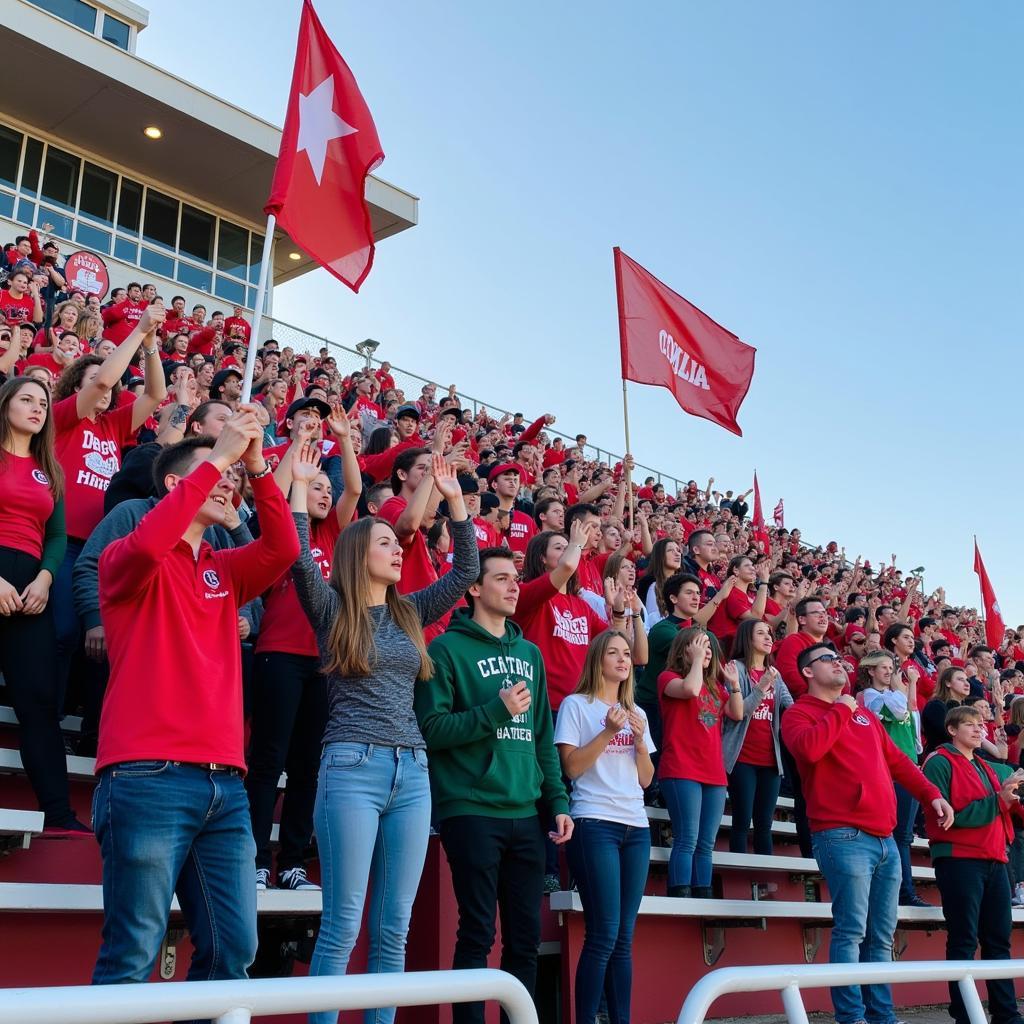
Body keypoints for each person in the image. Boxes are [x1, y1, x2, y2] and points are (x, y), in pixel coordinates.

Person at [91, 408, 299, 1002]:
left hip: (224, 786)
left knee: (234, 953)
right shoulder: (127, 557)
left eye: (231, 476)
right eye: (216, 475)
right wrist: (219, 457)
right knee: (133, 951)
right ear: (177, 487)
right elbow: (154, 539)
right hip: (145, 775)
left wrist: (257, 465)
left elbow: (283, 548)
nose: (227, 483)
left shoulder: (224, 570)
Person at [291, 454, 478, 1024]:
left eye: (397, 546)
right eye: (384, 544)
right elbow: (300, 561)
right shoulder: (331, 608)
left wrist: (455, 502)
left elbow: (466, 571)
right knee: (343, 925)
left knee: (393, 929)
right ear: (356, 554)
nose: (398, 550)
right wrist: (299, 491)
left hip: (413, 774)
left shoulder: (411, 611)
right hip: (352, 768)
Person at [414, 547, 570, 1024]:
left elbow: (542, 736)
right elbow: (432, 729)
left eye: (515, 577)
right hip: (471, 809)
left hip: (526, 812)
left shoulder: (531, 654)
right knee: (477, 932)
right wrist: (495, 712)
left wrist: (557, 802)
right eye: (501, 578)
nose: (513, 585)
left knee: (525, 939)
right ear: (475, 589)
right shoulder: (445, 649)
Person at [782, 643, 953, 1024]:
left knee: (881, 935)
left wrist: (932, 794)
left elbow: (898, 761)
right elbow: (809, 751)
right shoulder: (798, 713)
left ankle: (882, 1016)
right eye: (827, 659)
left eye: (839, 658)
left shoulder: (865, 717)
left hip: (885, 839)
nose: (839, 663)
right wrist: (841, 708)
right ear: (808, 672)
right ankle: (852, 1017)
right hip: (842, 834)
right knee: (851, 931)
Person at [245, 409, 362, 891]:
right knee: (268, 760)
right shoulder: (283, 531)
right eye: (316, 488)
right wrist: (298, 450)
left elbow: (353, 489)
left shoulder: (335, 535)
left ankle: (292, 861)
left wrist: (343, 442)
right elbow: (269, 494)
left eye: (326, 491)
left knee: (308, 766)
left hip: (325, 661)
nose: (326, 494)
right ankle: (251, 858)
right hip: (278, 651)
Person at [51, 304, 167, 696]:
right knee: (65, 631)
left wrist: (151, 345)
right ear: (75, 386)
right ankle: (50, 707)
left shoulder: (112, 425)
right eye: (96, 379)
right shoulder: (62, 417)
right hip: (63, 542)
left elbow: (156, 394)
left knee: (100, 639)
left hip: (102, 549)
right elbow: (101, 383)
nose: (108, 386)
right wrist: (137, 330)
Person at [554, 630, 654, 1024]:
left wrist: (641, 743)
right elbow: (572, 768)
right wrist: (609, 732)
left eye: (627, 653)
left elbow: (646, 780)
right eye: (613, 652)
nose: (622, 659)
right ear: (597, 660)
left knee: (624, 938)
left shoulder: (639, 713)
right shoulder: (576, 705)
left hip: (636, 827)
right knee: (604, 934)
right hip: (594, 822)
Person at [0, 377, 85, 835]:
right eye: (26, 400)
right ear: (6, 403)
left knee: (39, 700)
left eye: (43, 403)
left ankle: (59, 813)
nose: (37, 408)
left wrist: (46, 579)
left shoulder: (49, 467)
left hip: (32, 587)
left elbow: (56, 536)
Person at [923, 704, 1024, 1024]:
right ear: (952, 730)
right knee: (964, 938)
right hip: (959, 859)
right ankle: (964, 1014)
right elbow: (946, 819)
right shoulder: (938, 762)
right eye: (970, 725)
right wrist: (1000, 801)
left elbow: (1006, 808)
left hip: (995, 859)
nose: (980, 729)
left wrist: (1010, 796)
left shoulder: (986, 765)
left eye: (981, 725)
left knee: (998, 940)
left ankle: (1006, 1014)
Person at [658, 627, 743, 897]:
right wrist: (696, 661)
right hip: (681, 769)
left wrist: (734, 684)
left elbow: (737, 713)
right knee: (687, 838)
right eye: (700, 645)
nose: (706, 652)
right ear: (685, 649)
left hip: (714, 773)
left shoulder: (716, 687)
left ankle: (702, 891)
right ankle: (680, 891)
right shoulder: (667, 677)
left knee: (707, 843)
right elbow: (690, 689)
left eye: (709, 647)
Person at [857, 650, 929, 907]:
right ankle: (901, 893)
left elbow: (914, 732)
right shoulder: (868, 696)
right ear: (870, 671)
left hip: (908, 768)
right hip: (885, 769)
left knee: (904, 836)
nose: (889, 671)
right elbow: (900, 712)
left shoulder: (894, 694)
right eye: (883, 667)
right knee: (895, 835)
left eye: (891, 667)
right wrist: (905, 687)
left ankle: (903, 892)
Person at [721, 618, 792, 855]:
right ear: (747, 639)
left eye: (769, 633)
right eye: (761, 633)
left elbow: (790, 707)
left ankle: (767, 878)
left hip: (771, 761)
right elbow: (739, 713)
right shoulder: (735, 668)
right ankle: (739, 877)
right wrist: (761, 687)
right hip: (742, 758)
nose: (768, 637)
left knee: (765, 824)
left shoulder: (775, 674)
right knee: (741, 820)